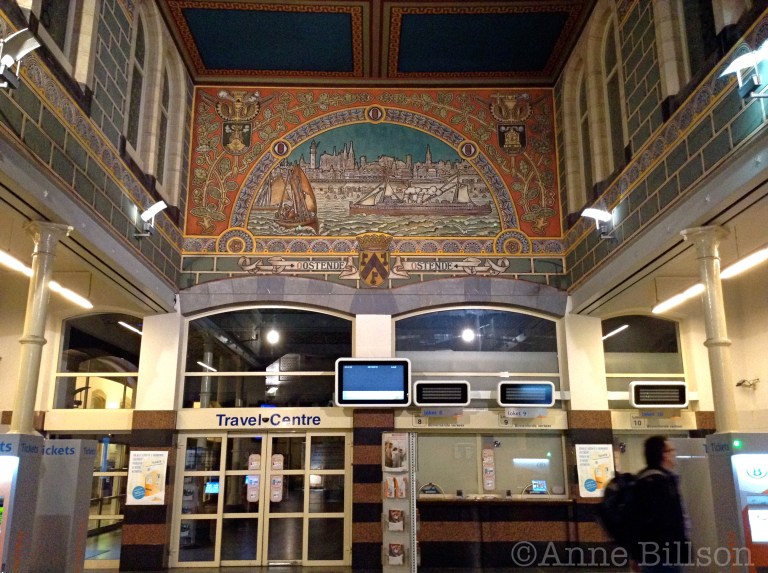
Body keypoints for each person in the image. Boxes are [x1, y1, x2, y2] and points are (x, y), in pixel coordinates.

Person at [630, 436, 689, 573]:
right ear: (663, 454)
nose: (674, 453)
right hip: (663, 555)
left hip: (656, 554)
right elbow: (666, 521)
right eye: (671, 450)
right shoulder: (658, 483)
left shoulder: (646, 479)